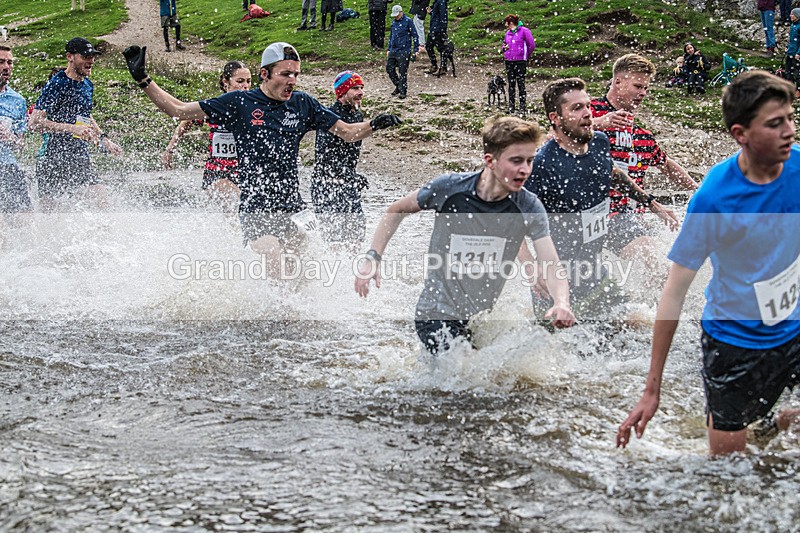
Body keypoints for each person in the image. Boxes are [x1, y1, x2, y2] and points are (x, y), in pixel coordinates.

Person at [617, 71, 800, 456]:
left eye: (790, 118)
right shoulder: (715, 198)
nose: (789, 131)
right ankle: (771, 423)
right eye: (775, 124)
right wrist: (652, 389)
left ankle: (784, 418)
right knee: (728, 467)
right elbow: (674, 292)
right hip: (733, 344)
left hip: (794, 330)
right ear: (741, 134)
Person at [121, 41, 401, 276]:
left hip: (292, 205)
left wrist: (374, 124)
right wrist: (143, 78)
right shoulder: (239, 102)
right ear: (264, 74)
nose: (292, 80)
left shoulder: (303, 103)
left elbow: (348, 132)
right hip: (256, 206)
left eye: (295, 74)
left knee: (302, 272)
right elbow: (179, 110)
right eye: (285, 74)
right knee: (274, 259)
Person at [355, 115, 576, 354]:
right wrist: (373, 256)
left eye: (530, 161)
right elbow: (397, 209)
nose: (525, 170)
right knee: (466, 367)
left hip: (478, 319)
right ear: (490, 161)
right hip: (435, 312)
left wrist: (562, 303)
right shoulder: (450, 189)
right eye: (516, 161)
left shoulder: (528, 206)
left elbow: (552, 263)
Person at [524, 78, 678, 319]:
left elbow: (612, 173)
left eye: (587, 105)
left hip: (596, 276)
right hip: (557, 287)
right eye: (577, 108)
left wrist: (651, 203)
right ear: (555, 118)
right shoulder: (542, 164)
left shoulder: (599, 142)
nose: (587, 113)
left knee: (639, 324)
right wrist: (531, 269)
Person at [590, 54, 697, 260]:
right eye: (638, 86)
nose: (643, 93)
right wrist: (598, 123)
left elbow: (666, 165)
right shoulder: (589, 112)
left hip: (633, 215)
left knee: (676, 255)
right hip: (599, 214)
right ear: (618, 82)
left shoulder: (642, 135)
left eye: (646, 88)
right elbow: (557, 132)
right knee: (649, 253)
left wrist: (698, 190)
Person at [29, 38, 123, 212]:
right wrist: (72, 128)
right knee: (52, 214)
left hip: (78, 154)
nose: (91, 61)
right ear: (70, 57)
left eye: (92, 56)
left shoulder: (87, 85)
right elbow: (34, 123)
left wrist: (104, 139)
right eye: (86, 56)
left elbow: (85, 115)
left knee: (101, 199)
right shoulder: (57, 84)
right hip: (52, 157)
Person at [161, 60, 252, 215]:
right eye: (240, 81)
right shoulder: (216, 106)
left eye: (248, 81)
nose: (245, 86)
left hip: (245, 172)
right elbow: (187, 119)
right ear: (226, 82)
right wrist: (170, 149)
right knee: (233, 204)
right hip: (217, 173)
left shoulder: (254, 109)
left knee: (245, 213)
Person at [311, 71, 369, 246]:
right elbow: (325, 158)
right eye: (355, 88)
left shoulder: (357, 116)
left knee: (357, 234)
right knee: (334, 240)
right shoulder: (329, 116)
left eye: (361, 88)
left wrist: (352, 176)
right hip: (325, 185)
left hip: (347, 184)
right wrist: (350, 175)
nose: (360, 92)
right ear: (342, 92)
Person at [0, 45, 31, 217]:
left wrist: (10, 137)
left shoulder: (17, 100)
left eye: (10, 62)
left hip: (7, 166)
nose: (6, 67)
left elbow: (20, 145)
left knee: (25, 218)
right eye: (1, 62)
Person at [501, 14, 535, 116]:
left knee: (521, 84)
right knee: (511, 84)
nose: (505, 25)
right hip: (509, 61)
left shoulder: (524, 31)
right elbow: (504, 44)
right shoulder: (508, 33)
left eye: (506, 23)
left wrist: (525, 55)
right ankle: (511, 106)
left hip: (520, 62)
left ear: (511, 23)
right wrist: (504, 49)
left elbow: (531, 45)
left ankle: (522, 107)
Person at [386, 5, 421, 99]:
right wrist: (389, 48)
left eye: (397, 15)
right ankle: (398, 85)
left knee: (402, 72)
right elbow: (391, 36)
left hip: (404, 50)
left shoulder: (408, 21)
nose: (396, 17)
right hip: (393, 50)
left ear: (401, 12)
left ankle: (403, 91)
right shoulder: (394, 22)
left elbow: (415, 35)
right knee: (389, 68)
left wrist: (416, 49)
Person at [424, 0, 447, 76]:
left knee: (441, 48)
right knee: (428, 46)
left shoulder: (441, 1)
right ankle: (434, 65)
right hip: (433, 29)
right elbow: (437, 15)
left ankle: (443, 67)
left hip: (437, 30)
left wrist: (443, 31)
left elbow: (443, 16)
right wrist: (431, 12)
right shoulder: (437, 2)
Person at [785, 8, 800, 97]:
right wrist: (787, 48)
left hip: (796, 54)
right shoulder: (793, 25)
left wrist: (799, 53)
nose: (790, 16)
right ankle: (790, 89)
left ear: (797, 16)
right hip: (790, 53)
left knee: (797, 73)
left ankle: (798, 90)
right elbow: (791, 40)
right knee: (788, 72)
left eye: (792, 14)